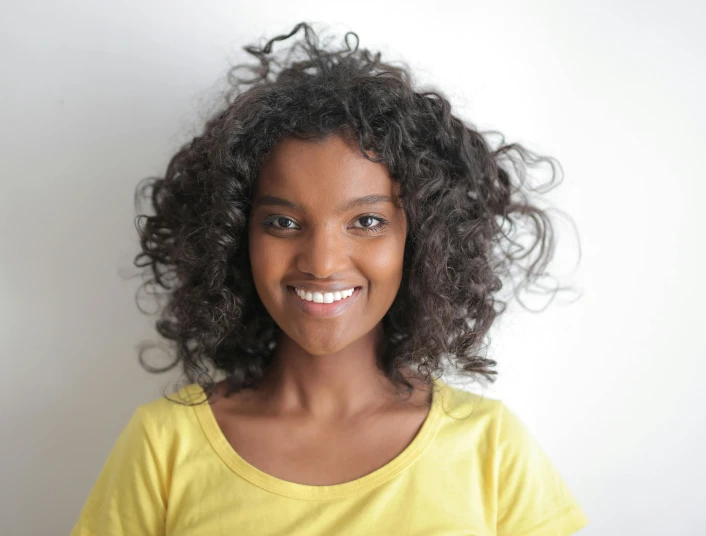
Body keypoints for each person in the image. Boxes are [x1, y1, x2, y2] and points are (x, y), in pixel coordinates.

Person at [71, 21, 588, 535]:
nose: (321, 262)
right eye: (283, 222)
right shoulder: (164, 446)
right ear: (232, 237)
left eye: (366, 221)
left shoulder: (490, 449)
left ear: (424, 239)